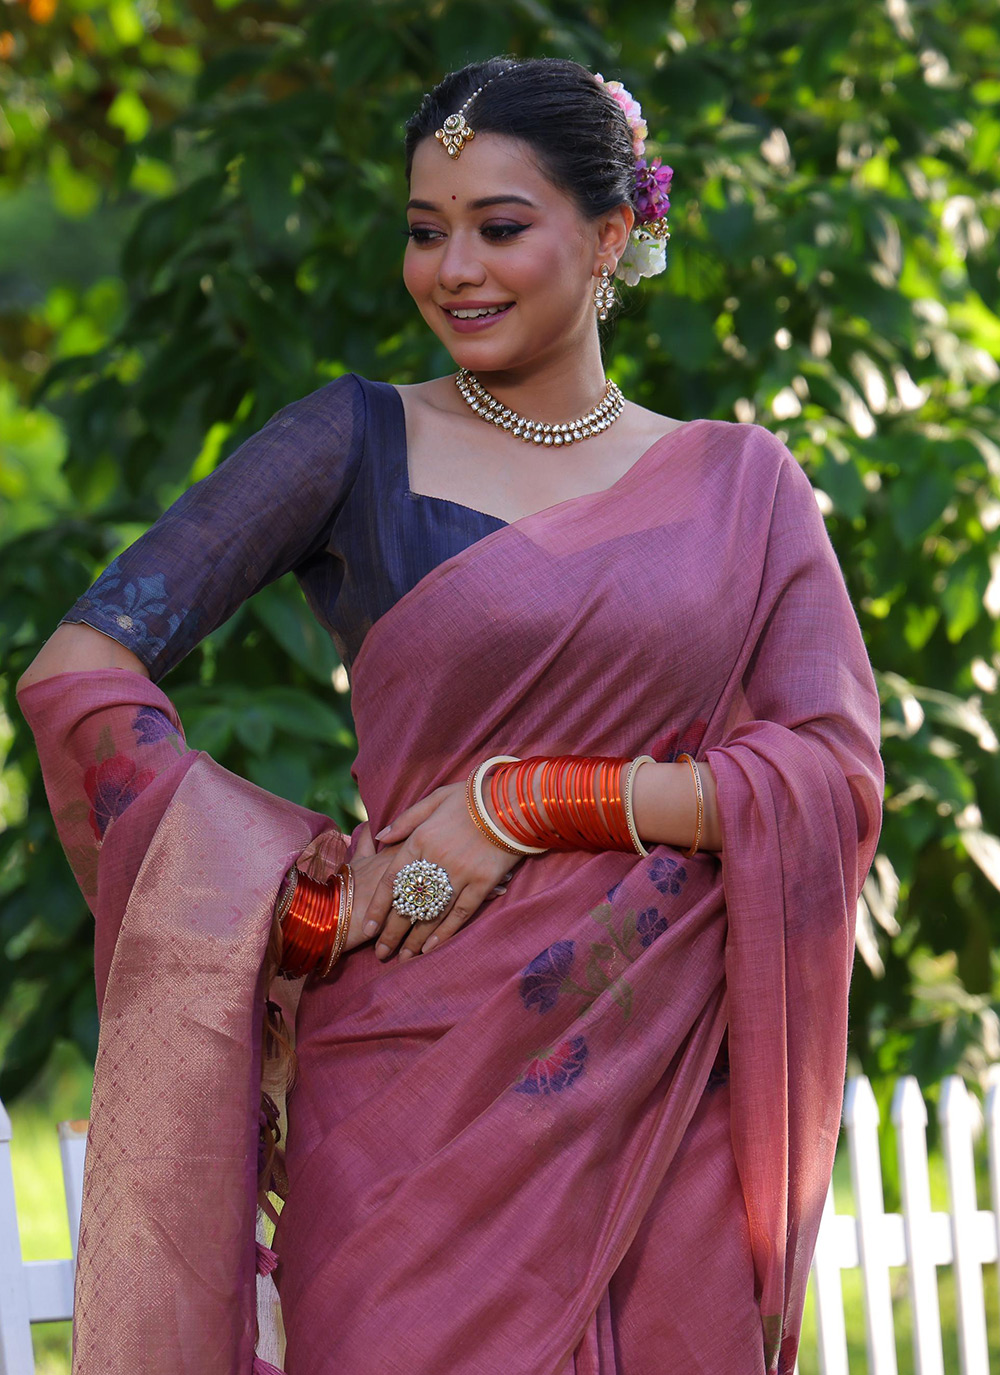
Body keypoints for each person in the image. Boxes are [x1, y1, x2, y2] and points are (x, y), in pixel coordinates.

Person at [17, 55, 884, 1375]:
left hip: (661, 1080)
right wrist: (296, 899)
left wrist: (525, 802)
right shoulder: (351, 445)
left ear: (611, 235)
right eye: (427, 232)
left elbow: (830, 776)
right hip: (406, 1091)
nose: (454, 270)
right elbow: (79, 669)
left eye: (499, 227)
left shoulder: (741, 487)